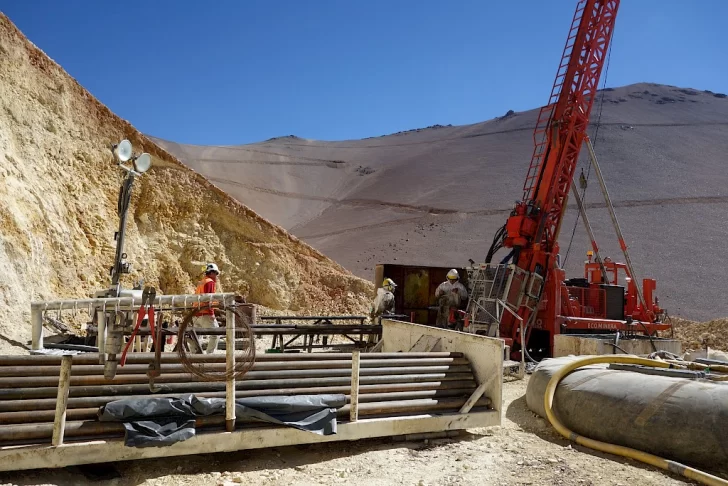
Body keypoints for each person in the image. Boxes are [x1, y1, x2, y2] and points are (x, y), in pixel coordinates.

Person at [193, 263, 221, 354]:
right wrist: (211, 313)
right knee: (216, 333)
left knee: (197, 335)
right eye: (216, 274)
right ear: (212, 273)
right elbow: (209, 299)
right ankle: (209, 354)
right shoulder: (210, 282)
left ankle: (194, 355)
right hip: (205, 313)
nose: (216, 276)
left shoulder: (202, 282)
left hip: (196, 313)